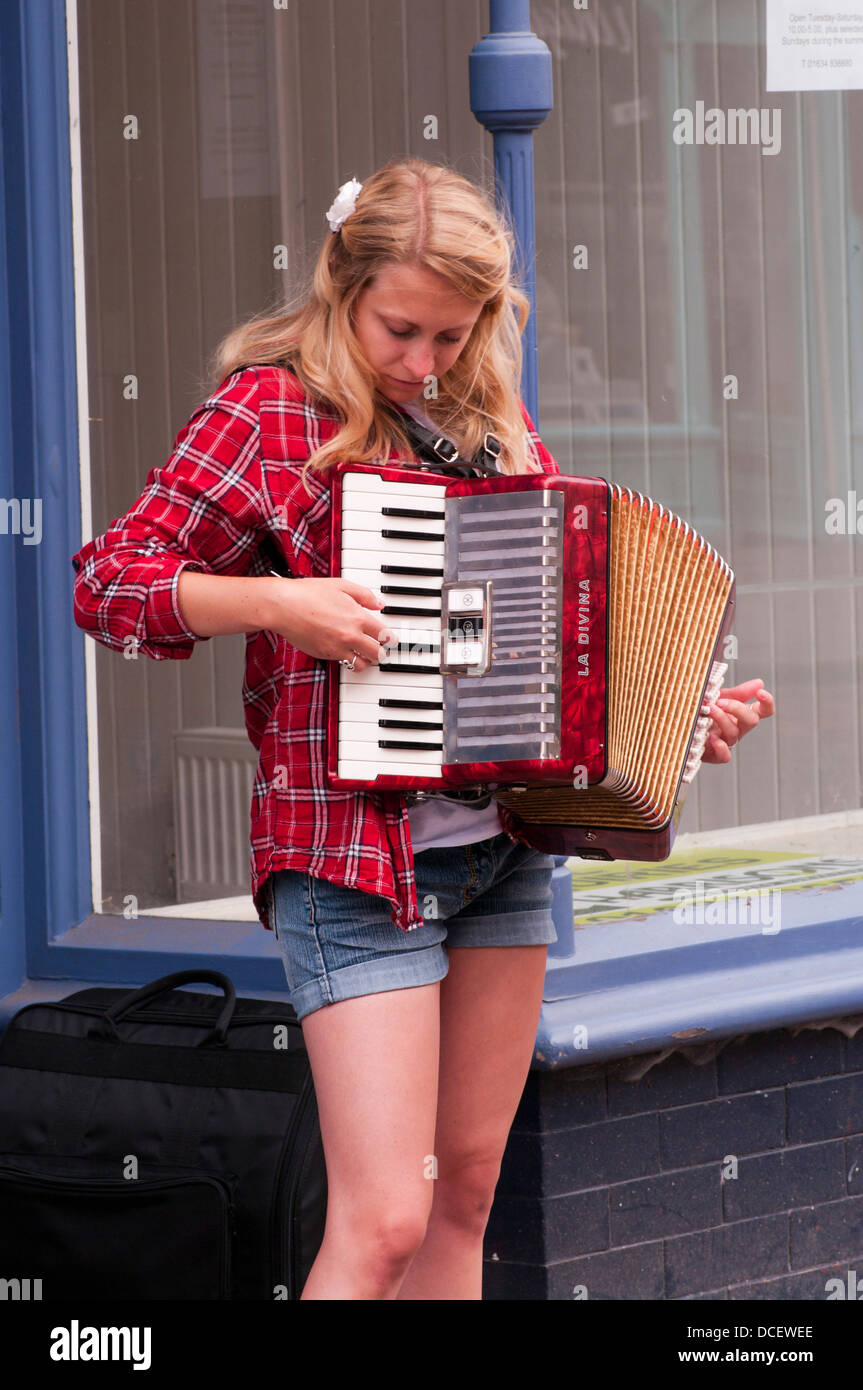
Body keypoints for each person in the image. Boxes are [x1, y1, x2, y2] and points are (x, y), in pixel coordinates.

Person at [71, 157, 775, 1301]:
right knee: (387, 1217)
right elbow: (108, 581)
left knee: (464, 1198)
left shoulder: (489, 417)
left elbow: (555, 640)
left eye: (452, 337)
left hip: (498, 856)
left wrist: (678, 719)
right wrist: (273, 599)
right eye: (401, 329)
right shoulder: (267, 410)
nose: (422, 362)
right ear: (342, 287)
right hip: (353, 862)